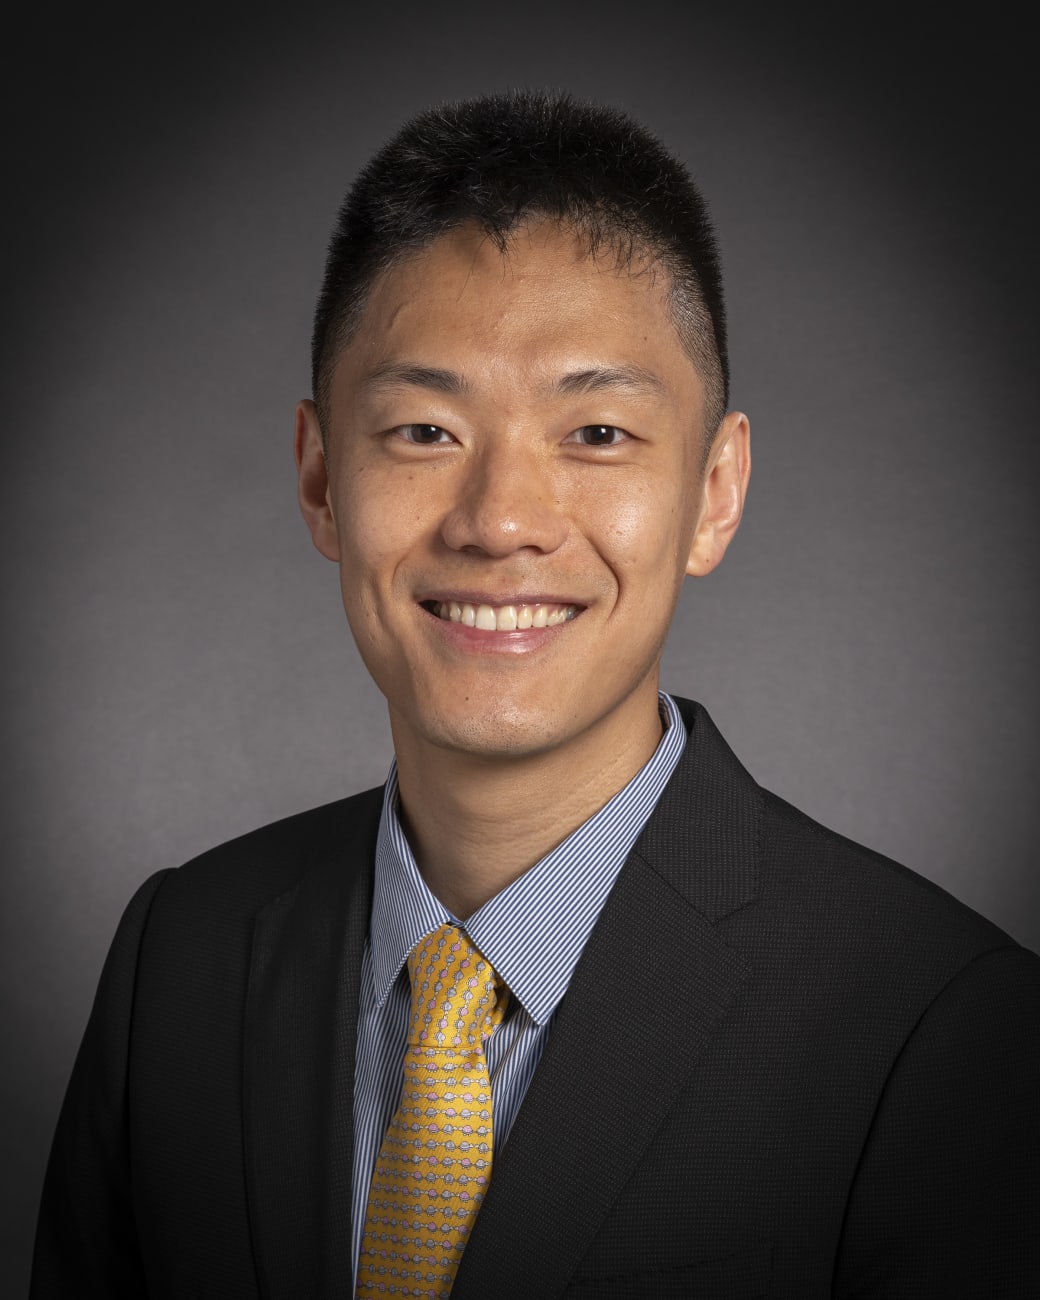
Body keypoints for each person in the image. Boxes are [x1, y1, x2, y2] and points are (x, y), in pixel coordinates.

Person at [31, 90, 1040, 1300]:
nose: (501, 520)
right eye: (421, 430)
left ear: (713, 493)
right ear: (317, 479)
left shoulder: (940, 1029)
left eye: (597, 433)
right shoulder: (177, 961)